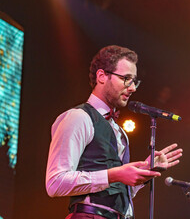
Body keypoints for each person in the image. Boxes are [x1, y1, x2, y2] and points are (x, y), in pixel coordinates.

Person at [46, 45, 183, 219]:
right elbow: (55, 183)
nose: (132, 88)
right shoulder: (78, 117)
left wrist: (143, 174)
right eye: (126, 78)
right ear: (102, 76)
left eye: (134, 81)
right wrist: (115, 174)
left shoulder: (119, 132)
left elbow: (114, 191)